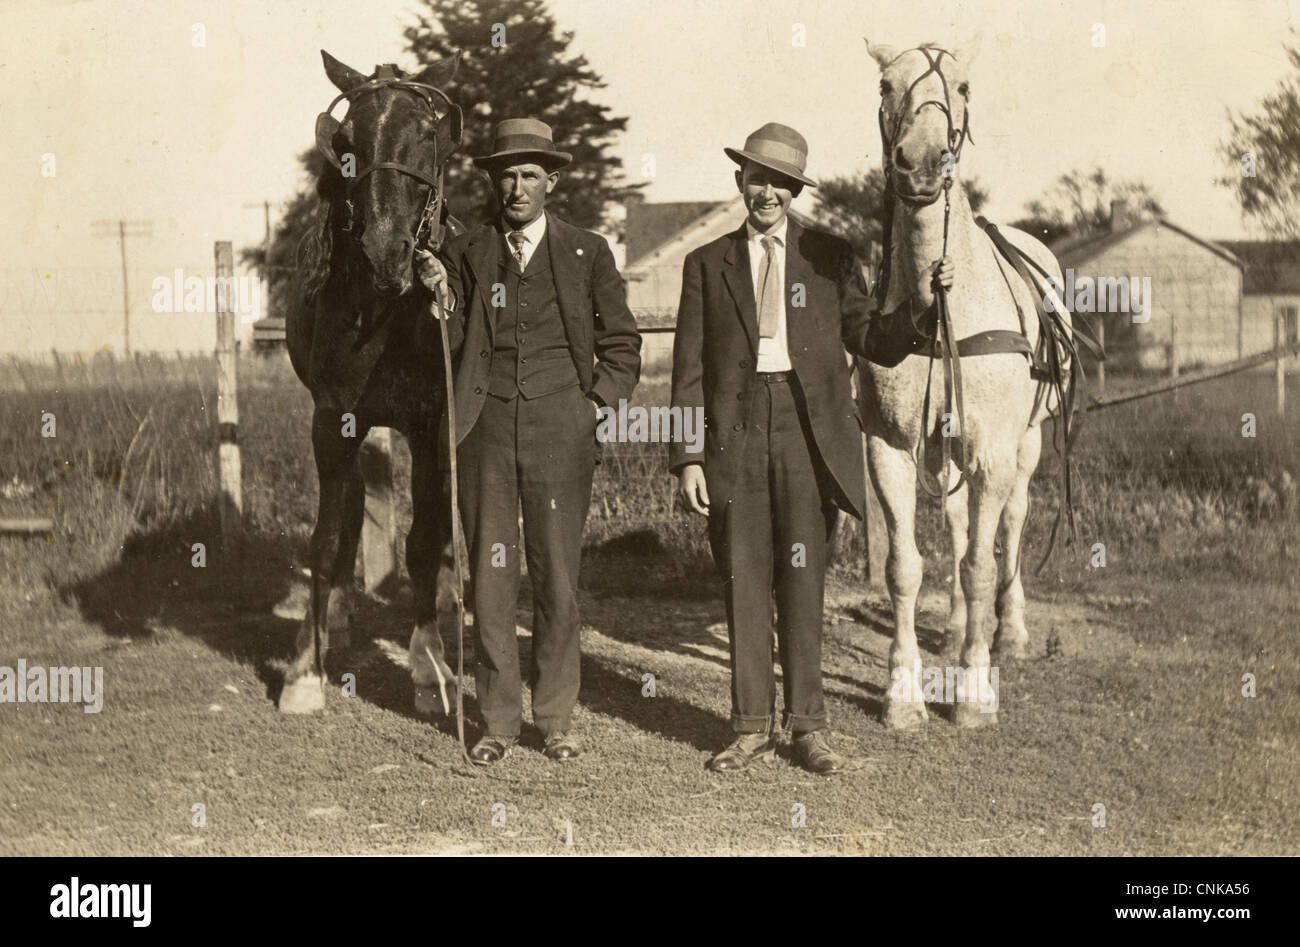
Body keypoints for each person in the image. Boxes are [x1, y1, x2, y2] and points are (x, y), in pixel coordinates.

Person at [669, 122, 953, 775]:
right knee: (742, 575)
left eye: (780, 182)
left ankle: (807, 728)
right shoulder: (704, 264)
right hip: (733, 434)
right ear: (740, 179)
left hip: (807, 433)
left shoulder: (829, 256)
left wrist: (923, 305)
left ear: (795, 191)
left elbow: (873, 339)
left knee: (802, 577)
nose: (766, 192)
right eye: (756, 177)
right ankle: (747, 727)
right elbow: (687, 370)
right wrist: (688, 455)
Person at [416, 118, 641, 765]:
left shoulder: (587, 252)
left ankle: (557, 718)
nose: (516, 187)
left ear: (553, 181)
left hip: (559, 433)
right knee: (489, 578)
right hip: (483, 432)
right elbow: (454, 337)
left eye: (529, 175)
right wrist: (438, 295)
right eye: (506, 175)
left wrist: (595, 407)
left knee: (557, 577)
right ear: (496, 182)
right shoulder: (471, 251)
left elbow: (623, 344)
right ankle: (499, 721)